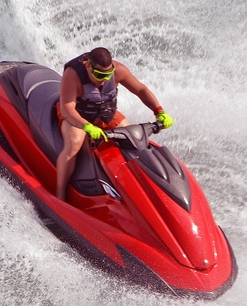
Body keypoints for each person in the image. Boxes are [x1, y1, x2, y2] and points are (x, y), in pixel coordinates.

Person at [56, 47, 174, 201]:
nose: (103, 80)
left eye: (107, 75)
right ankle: (60, 194)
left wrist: (159, 111)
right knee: (74, 144)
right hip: (77, 116)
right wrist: (87, 126)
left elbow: (140, 90)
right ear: (87, 66)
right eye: (99, 75)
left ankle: (141, 189)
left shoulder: (119, 70)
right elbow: (67, 108)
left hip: (105, 114)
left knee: (133, 140)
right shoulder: (73, 75)